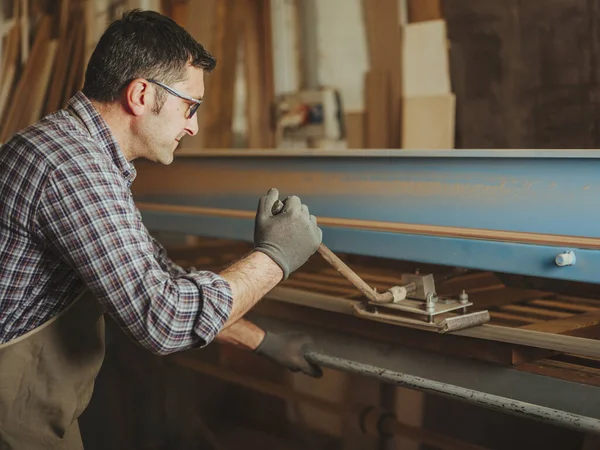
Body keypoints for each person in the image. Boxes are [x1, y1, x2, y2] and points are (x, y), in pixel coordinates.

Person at [0, 9, 323, 450]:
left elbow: (159, 273)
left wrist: (263, 341)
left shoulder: (80, 153)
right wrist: (276, 256)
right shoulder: (72, 167)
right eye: (189, 106)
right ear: (140, 94)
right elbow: (164, 320)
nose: (192, 125)